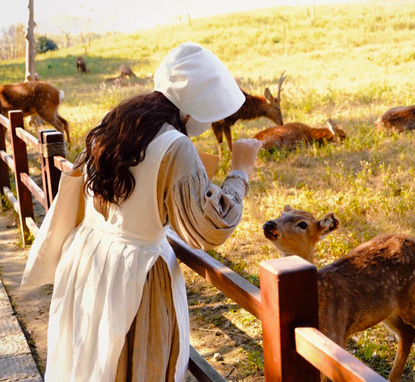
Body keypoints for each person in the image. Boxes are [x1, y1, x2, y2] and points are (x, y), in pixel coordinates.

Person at [43, 42, 262, 381]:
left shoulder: (118, 120)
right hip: (137, 276)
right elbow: (210, 226)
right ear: (197, 106)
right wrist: (240, 173)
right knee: (138, 365)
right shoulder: (176, 145)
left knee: (90, 361)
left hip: (89, 261)